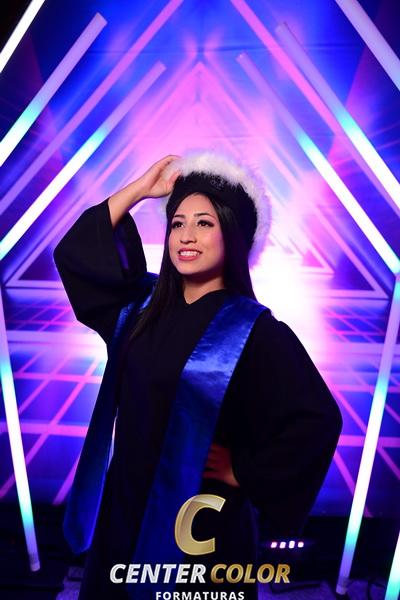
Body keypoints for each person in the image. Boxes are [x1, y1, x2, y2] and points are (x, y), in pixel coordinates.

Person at [53, 151, 342, 599]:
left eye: (204, 223)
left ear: (233, 233)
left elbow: (317, 421)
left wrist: (243, 471)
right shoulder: (138, 310)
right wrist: (141, 190)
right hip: (125, 512)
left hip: (200, 527)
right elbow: (75, 254)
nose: (186, 236)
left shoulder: (254, 330)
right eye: (177, 223)